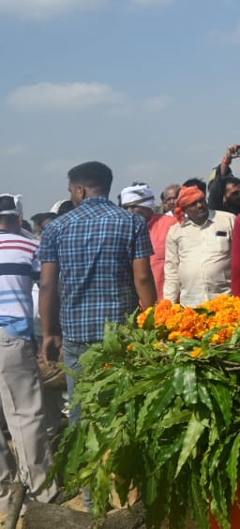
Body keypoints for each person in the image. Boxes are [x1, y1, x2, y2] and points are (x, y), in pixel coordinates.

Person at [38, 162, 157, 421]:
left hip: (77, 336)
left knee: (82, 409)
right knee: (123, 409)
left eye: (71, 191)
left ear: (80, 190)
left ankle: (85, 460)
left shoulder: (56, 228)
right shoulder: (132, 222)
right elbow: (144, 278)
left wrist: (49, 332)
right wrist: (153, 324)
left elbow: (47, 285)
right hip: (122, 333)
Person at [0, 194, 60, 510]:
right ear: (19, 217)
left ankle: (5, 492)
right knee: (25, 415)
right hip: (11, 335)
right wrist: (52, 333)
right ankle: (41, 493)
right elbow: (47, 288)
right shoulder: (29, 247)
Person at [163, 186, 236, 305]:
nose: (199, 206)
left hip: (226, 299)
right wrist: (168, 304)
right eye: (193, 204)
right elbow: (172, 270)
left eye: (201, 201)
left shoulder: (228, 220)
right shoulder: (176, 231)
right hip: (191, 304)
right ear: (184, 210)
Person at [120, 183, 173, 299]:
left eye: (134, 206)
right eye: (126, 207)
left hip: (169, 300)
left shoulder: (171, 225)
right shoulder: (124, 231)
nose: (130, 211)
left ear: (147, 205)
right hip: (137, 303)